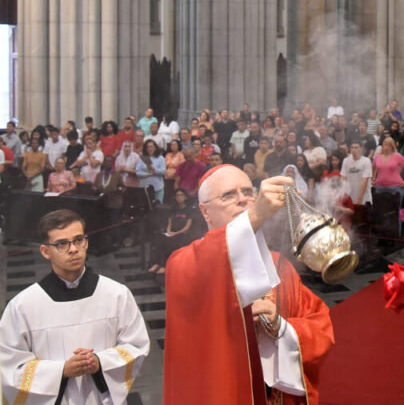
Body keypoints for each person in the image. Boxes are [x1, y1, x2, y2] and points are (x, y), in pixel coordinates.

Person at [163, 168, 334, 404]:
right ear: (205, 211)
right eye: (228, 195)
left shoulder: (280, 267)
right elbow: (210, 259)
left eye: (247, 191)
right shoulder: (184, 264)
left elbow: (320, 326)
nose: (242, 199)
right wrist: (253, 217)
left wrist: (283, 328)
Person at [0, 209, 149, 404]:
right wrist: (61, 371)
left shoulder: (117, 295)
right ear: (45, 251)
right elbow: (9, 367)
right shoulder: (23, 306)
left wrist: (99, 362)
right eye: (62, 244)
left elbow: (135, 346)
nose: (73, 249)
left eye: (79, 240)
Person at [149, 188, 197, 274]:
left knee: (169, 242)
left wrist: (176, 233)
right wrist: (169, 230)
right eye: (177, 195)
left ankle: (165, 265)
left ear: (185, 197)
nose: (179, 197)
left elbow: (187, 227)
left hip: (182, 234)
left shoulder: (189, 210)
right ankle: (157, 263)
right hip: (172, 232)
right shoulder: (173, 209)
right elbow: (169, 222)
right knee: (159, 239)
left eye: (181, 195)